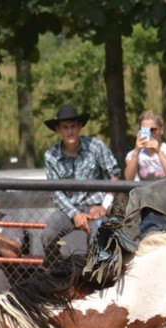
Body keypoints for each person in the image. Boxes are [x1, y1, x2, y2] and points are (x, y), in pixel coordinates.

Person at [42, 104, 121, 254]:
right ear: (58, 130)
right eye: (65, 127)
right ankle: (57, 273)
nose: (70, 131)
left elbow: (114, 174)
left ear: (80, 127)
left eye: (73, 126)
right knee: (48, 236)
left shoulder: (96, 146)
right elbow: (56, 191)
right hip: (67, 209)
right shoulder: (51, 155)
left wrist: (105, 205)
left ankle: (97, 275)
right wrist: (75, 214)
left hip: (97, 206)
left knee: (99, 236)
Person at [124, 110, 166, 182]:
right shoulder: (132, 154)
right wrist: (136, 151)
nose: (149, 133)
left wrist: (159, 152)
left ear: (161, 130)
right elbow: (129, 179)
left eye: (153, 130)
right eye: (144, 130)